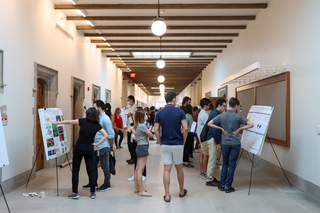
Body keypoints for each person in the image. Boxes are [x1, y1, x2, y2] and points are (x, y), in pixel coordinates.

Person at [51, 107, 108, 199]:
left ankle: (75, 193)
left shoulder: (83, 121)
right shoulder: (97, 125)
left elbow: (69, 121)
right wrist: (97, 144)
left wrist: (57, 123)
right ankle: (93, 192)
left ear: (88, 114)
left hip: (79, 148)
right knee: (91, 171)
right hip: (89, 148)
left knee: (76, 171)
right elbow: (106, 135)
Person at [208, 97, 254, 193]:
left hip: (225, 143)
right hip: (235, 142)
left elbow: (209, 123)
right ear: (236, 106)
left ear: (229, 105)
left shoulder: (222, 116)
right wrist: (240, 129)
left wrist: (220, 129)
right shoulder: (238, 116)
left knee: (225, 164)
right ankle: (228, 187)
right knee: (232, 165)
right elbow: (251, 124)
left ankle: (222, 184)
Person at [154, 91, 188, 202]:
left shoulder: (159, 113)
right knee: (179, 168)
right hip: (178, 143)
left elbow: (156, 130)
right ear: (173, 99)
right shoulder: (180, 112)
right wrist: (184, 141)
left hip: (165, 144)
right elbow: (185, 128)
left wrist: (160, 141)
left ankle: (167, 195)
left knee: (166, 170)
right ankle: (181, 191)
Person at [82, 100, 115, 192]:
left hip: (103, 146)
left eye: (94, 107)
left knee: (105, 166)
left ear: (99, 108)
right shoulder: (98, 118)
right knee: (92, 166)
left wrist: (111, 147)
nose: (93, 108)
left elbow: (111, 134)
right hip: (96, 146)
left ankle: (107, 184)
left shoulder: (105, 119)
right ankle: (93, 182)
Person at [131, 108, 153, 197]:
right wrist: (148, 134)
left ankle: (137, 187)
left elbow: (138, 136)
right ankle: (141, 190)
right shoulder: (142, 126)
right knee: (141, 170)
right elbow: (151, 134)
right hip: (143, 147)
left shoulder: (136, 126)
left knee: (137, 168)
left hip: (139, 146)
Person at [205, 99, 227, 187]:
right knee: (212, 159)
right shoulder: (215, 114)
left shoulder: (216, 113)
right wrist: (218, 143)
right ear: (219, 105)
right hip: (213, 139)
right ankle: (209, 179)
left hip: (213, 138)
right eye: (224, 106)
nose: (225, 108)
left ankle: (211, 177)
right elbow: (214, 130)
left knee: (213, 158)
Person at [128, 107, 147, 182]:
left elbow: (143, 134)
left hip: (140, 143)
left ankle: (143, 175)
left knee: (141, 160)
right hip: (134, 142)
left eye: (135, 112)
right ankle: (136, 174)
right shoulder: (135, 122)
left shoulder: (142, 123)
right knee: (136, 159)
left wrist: (132, 130)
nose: (134, 113)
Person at [196, 98, 211, 180]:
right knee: (206, 155)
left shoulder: (201, 113)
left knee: (202, 154)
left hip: (201, 136)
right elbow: (207, 126)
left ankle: (202, 171)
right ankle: (204, 172)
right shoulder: (205, 115)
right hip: (204, 137)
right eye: (208, 105)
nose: (209, 106)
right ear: (205, 105)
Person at [126, 95, 137, 164]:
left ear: (131, 100)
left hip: (133, 128)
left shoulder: (134, 107)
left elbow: (128, 114)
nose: (128, 102)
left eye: (128, 100)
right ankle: (132, 157)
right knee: (129, 143)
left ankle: (134, 157)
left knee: (131, 143)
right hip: (129, 127)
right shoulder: (130, 107)